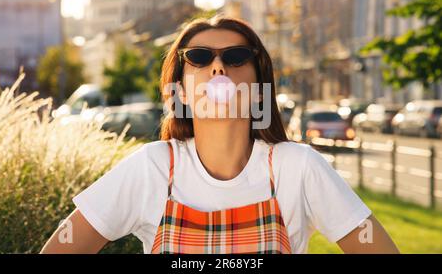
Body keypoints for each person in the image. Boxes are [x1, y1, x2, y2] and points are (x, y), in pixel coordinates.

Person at [41, 16, 399, 254]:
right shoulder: (150, 168)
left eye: (237, 56)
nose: (218, 67)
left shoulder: (298, 168)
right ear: (179, 91)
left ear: (259, 89)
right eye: (197, 57)